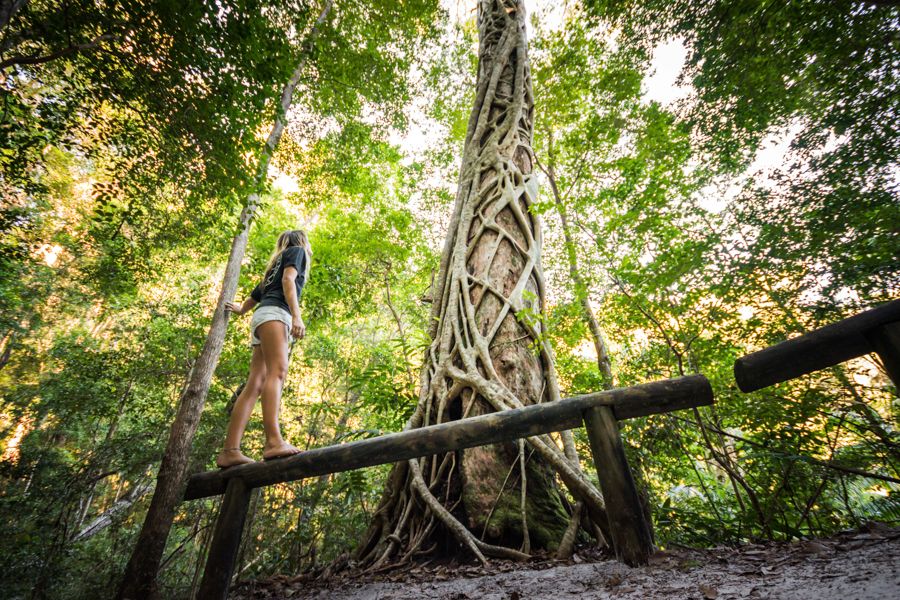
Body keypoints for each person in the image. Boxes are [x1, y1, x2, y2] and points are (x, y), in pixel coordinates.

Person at [216, 229, 312, 468]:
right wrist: (297, 317)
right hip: (276, 315)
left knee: (255, 382)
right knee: (277, 373)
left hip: (261, 317)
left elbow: (256, 295)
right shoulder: (298, 252)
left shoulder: (274, 264)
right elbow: (288, 281)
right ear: (302, 242)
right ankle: (273, 442)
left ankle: (230, 450)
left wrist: (240, 310)